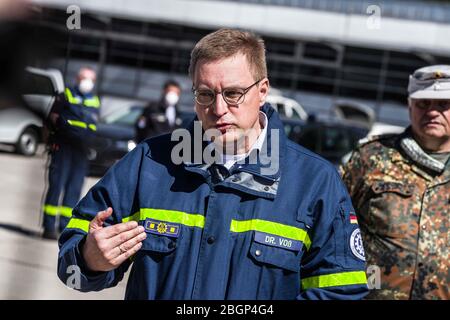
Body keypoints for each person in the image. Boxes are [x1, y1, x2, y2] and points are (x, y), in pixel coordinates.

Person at [57, 29, 368, 299]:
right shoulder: (150, 162)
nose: (218, 109)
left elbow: (341, 290)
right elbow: (72, 256)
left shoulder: (314, 182)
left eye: (233, 93)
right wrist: (89, 258)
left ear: (262, 92)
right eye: (205, 94)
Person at [341, 65, 450, 300]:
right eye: (423, 103)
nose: (432, 112)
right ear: (410, 106)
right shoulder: (371, 158)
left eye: (443, 104)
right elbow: (334, 227)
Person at [42, 67, 100, 240]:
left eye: (91, 79)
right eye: (84, 78)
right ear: (77, 78)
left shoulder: (95, 100)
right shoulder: (65, 95)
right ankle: (49, 226)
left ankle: (64, 226)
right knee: (56, 186)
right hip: (63, 147)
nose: (87, 82)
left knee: (74, 189)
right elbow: (51, 119)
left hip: (81, 151)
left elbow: (94, 125)